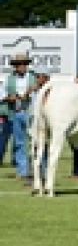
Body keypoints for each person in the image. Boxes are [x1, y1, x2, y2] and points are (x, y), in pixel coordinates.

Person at [3, 52, 38, 182]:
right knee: (19, 143)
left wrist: (32, 91)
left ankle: (37, 169)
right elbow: (2, 94)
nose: (22, 66)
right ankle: (22, 171)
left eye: (24, 64)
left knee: (35, 141)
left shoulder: (34, 77)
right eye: (19, 64)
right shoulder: (9, 79)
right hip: (16, 113)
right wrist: (9, 98)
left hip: (32, 113)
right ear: (15, 66)